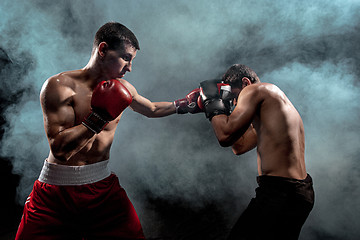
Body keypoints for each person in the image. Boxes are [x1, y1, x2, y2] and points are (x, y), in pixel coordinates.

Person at [15, 22, 202, 240]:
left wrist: (184, 105)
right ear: (103, 50)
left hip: (101, 188)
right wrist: (99, 117)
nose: (129, 68)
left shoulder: (124, 88)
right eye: (126, 58)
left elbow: (150, 108)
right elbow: (60, 151)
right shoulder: (59, 86)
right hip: (56, 191)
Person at [199, 64, 315, 240]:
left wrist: (212, 102)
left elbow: (224, 135)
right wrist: (223, 111)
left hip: (280, 192)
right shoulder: (274, 104)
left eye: (234, 97)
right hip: (301, 194)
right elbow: (239, 147)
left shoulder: (254, 90)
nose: (236, 104)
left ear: (245, 82)